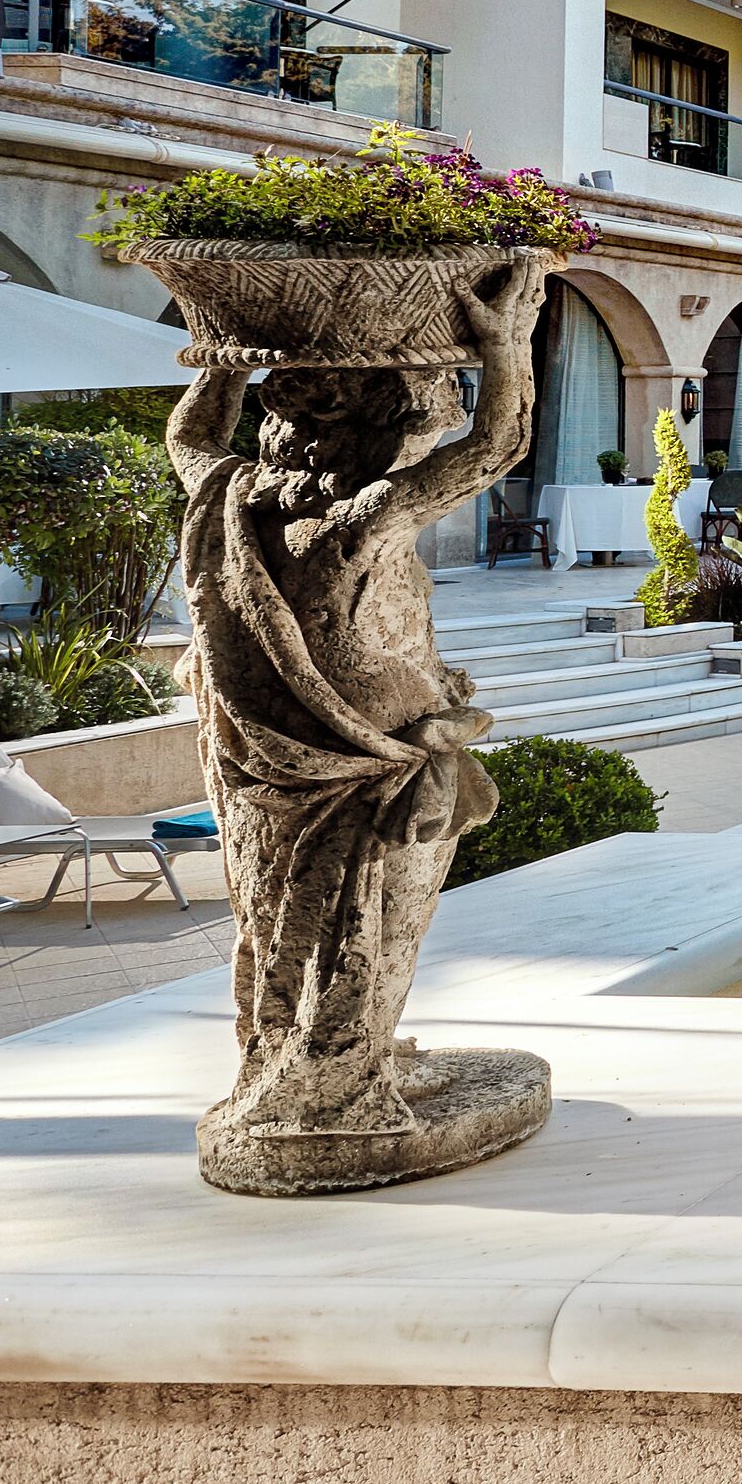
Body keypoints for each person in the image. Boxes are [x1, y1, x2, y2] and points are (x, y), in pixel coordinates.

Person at [166, 254, 543, 1145]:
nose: (430, 436)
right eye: (424, 420)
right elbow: (498, 447)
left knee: (281, 916)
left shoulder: (229, 499)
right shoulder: (364, 518)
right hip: (379, 757)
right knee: (384, 916)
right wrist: (507, 344)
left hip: (282, 761)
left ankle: (317, 1059)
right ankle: (336, 1089)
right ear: (386, 432)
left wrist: (225, 358)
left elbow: (190, 436)